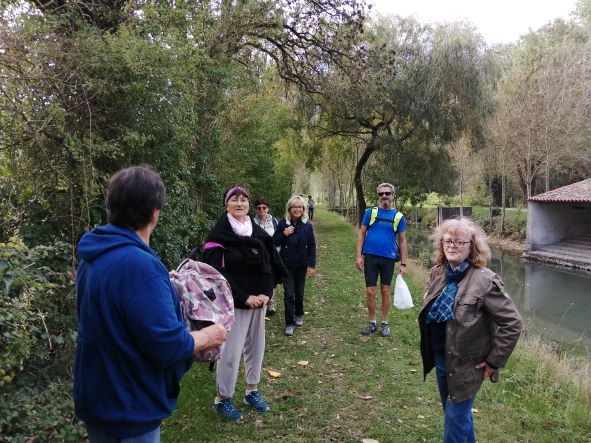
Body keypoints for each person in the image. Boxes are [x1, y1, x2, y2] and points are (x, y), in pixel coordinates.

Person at [74, 165, 227, 442]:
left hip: (97, 398)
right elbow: (167, 347)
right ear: (155, 211)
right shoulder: (141, 266)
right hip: (129, 409)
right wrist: (209, 335)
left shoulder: (92, 255)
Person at [419, 217, 522, 442]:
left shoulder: (485, 281)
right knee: (457, 416)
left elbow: (512, 323)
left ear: (472, 247)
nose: (452, 246)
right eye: (448, 241)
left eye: (459, 242)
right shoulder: (439, 273)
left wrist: (494, 360)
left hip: (467, 365)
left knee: (454, 419)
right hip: (441, 359)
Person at [202, 185, 285, 422]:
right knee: (230, 352)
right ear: (226, 205)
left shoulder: (258, 233)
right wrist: (244, 297)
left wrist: (266, 294)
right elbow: (216, 274)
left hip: (259, 302)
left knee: (256, 349)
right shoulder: (218, 235)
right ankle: (223, 399)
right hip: (232, 305)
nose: (240, 204)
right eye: (234, 200)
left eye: (244, 200)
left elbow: (270, 265)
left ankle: (251, 391)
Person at [355, 182, 408, 337]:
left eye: (387, 193)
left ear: (393, 196)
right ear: (378, 196)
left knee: (385, 290)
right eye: (381, 194)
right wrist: (358, 255)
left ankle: (385, 323)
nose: (384, 196)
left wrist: (404, 263)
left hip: (388, 258)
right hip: (370, 257)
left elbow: (403, 241)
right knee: (370, 291)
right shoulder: (370, 213)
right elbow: (361, 234)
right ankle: (372, 323)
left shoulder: (399, 217)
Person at [273, 195, 316, 336]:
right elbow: (274, 242)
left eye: (299, 207)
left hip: (301, 265)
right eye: (294, 207)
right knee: (289, 294)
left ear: (303, 209)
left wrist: (312, 265)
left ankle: (299, 313)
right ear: (289, 209)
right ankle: (289, 322)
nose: (297, 209)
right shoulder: (282, 223)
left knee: (299, 293)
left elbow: (312, 246)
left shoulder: (307, 225)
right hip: (286, 265)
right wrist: (284, 234)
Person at [253, 197, 279, 316]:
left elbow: (279, 238)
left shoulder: (275, 222)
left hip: (273, 255)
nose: (262, 210)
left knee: (272, 278)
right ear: (255, 209)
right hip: (259, 256)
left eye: (264, 207)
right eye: (259, 208)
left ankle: (271, 301)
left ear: (268, 209)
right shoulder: (252, 223)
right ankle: (262, 301)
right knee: (261, 277)